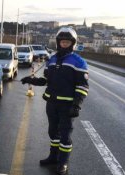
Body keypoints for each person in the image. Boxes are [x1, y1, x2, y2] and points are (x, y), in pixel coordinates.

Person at [21, 27, 89, 175]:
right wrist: (30, 79)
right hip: (51, 103)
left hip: (67, 105)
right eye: (62, 42)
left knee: (65, 136)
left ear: (72, 43)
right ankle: (53, 157)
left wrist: (77, 105)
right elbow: (46, 80)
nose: (64, 44)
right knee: (53, 132)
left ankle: (63, 162)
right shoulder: (52, 59)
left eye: (67, 42)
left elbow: (82, 86)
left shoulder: (79, 62)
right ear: (58, 43)